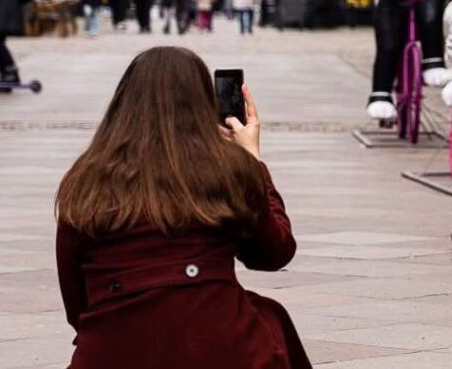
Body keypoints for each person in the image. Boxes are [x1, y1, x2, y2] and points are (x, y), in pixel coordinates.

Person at [55, 46, 311, 368]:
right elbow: (274, 253)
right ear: (204, 104)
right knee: (271, 320)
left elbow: (76, 302)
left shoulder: (85, 179)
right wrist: (252, 161)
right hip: (218, 347)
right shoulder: (226, 170)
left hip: (114, 352)